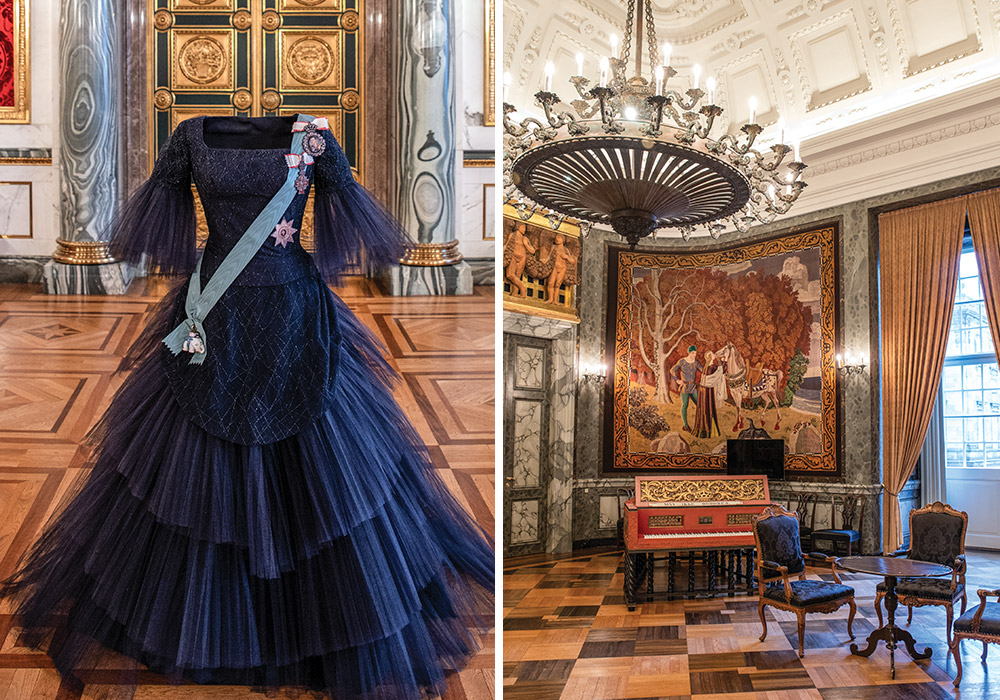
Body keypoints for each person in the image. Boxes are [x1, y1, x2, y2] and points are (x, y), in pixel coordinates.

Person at [0, 115, 494, 700]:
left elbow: (348, 211)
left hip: (292, 311)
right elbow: (161, 225)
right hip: (215, 310)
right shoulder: (190, 136)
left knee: (321, 452)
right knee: (190, 452)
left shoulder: (314, 137)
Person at [670, 345, 703, 432]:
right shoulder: (682, 361)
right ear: (689, 353)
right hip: (684, 387)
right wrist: (677, 380)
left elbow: (704, 371)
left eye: (695, 353)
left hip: (693, 387)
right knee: (685, 405)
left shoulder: (696, 363)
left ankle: (701, 423)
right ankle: (685, 425)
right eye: (693, 353)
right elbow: (672, 370)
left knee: (700, 405)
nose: (694, 355)